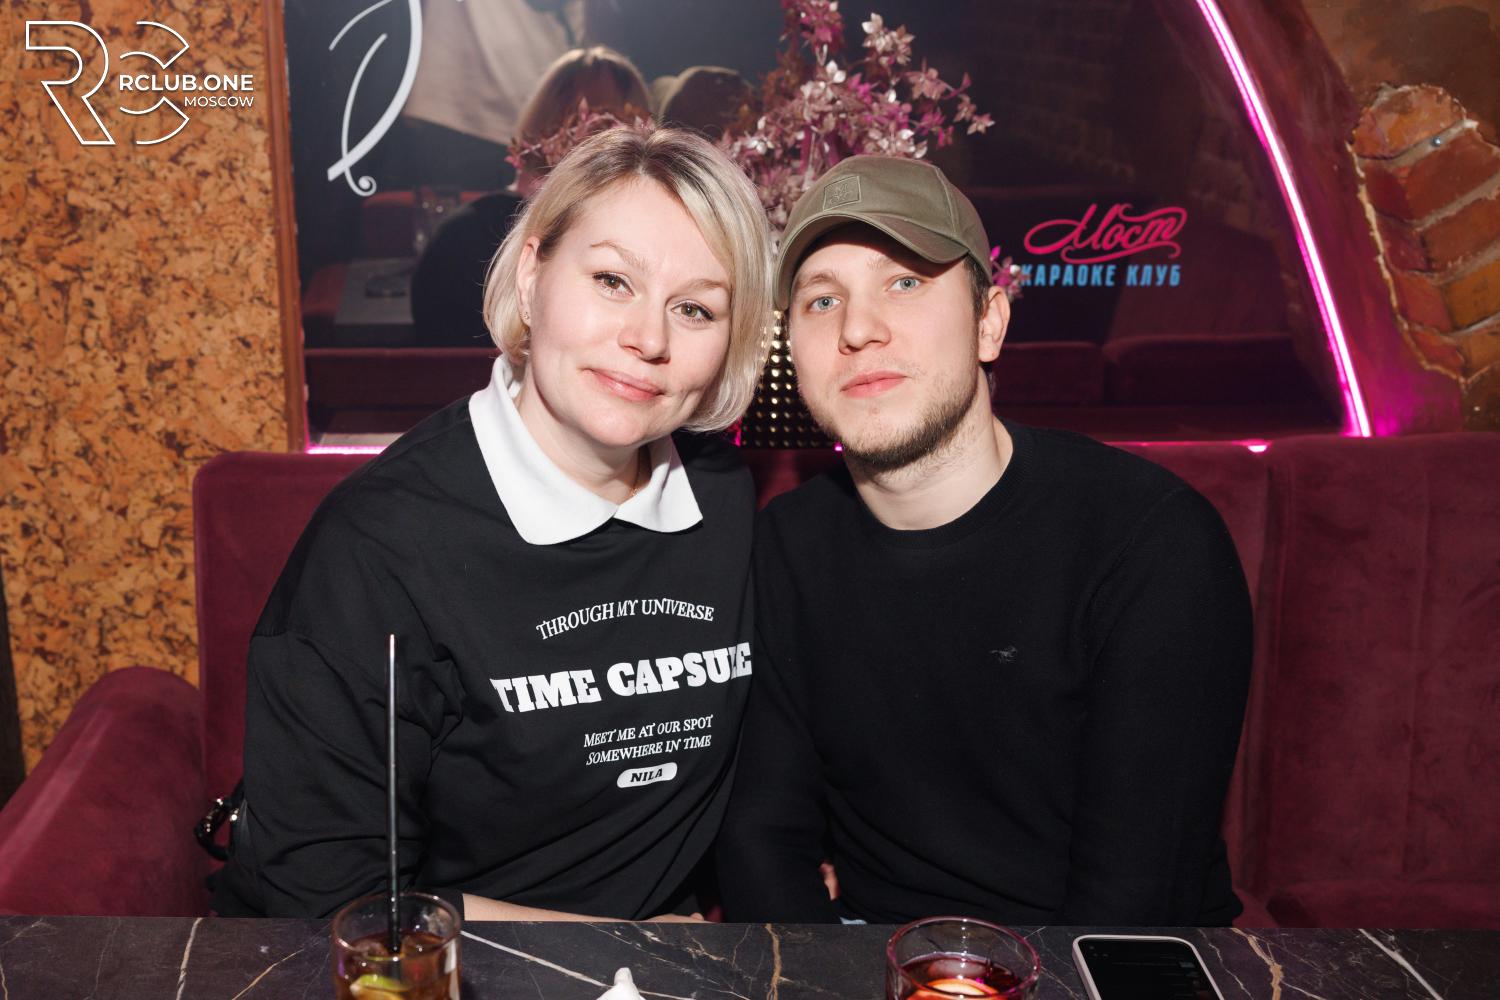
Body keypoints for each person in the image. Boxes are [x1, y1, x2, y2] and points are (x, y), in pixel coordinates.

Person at [214, 124, 774, 921]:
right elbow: (328, 902)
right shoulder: (380, 546)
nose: (648, 339)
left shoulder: (725, 501)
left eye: (694, 309)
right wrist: (625, 951)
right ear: (532, 271)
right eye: (612, 280)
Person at [716, 156, 1252, 926]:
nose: (858, 330)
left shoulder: (1150, 545)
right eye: (822, 300)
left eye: (905, 282)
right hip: (871, 962)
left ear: (989, 322)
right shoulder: (786, 548)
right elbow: (762, 841)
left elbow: (1132, 914)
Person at [411, 46, 653, 346]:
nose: (605, 136)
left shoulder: (466, 230)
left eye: (618, 123)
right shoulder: (472, 237)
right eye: (595, 120)